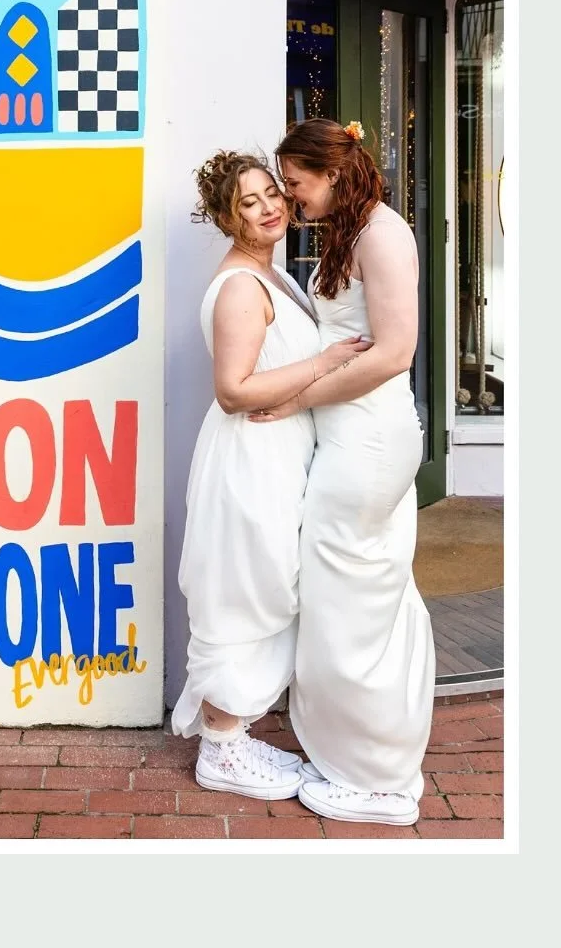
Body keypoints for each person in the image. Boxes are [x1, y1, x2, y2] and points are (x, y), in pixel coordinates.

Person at [250, 117, 436, 826]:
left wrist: (296, 397)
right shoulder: (351, 231)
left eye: (294, 183)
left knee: (347, 604)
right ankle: (373, 761)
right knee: (363, 599)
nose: (289, 197)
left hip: (369, 443)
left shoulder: (383, 235)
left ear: (332, 172)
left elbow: (393, 353)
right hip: (352, 440)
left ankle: (376, 779)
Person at [171, 150, 369, 799]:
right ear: (227, 218)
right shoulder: (240, 287)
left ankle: (233, 735)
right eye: (248, 202)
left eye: (271, 194)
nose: (267, 208)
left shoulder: (272, 276)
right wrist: (326, 363)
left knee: (268, 583)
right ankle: (221, 750)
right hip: (249, 460)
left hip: (278, 456)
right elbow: (233, 390)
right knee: (243, 590)